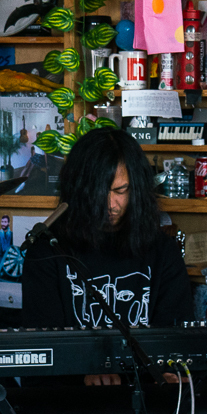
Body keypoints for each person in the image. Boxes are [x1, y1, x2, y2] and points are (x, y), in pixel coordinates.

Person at [21, 128, 192, 385]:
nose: (111, 204)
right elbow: (40, 359)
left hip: (150, 409)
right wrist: (83, 378)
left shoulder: (163, 252)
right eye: (100, 193)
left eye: (121, 190)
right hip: (69, 410)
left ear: (137, 189)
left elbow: (176, 343)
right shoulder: (47, 251)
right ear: (79, 191)